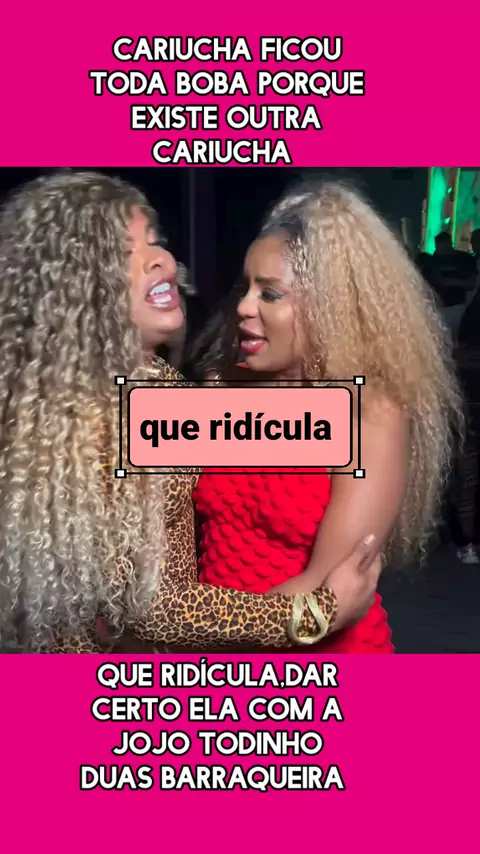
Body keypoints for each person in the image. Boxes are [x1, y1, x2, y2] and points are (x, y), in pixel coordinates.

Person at [0, 170, 380, 653]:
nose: (160, 259)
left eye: (155, 242)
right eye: (123, 253)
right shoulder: (92, 416)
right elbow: (147, 606)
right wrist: (318, 612)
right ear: (71, 289)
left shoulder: (151, 382)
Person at [193, 180, 463, 653]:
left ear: (327, 307)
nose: (243, 306)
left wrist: (198, 642)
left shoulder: (370, 415)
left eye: (269, 294)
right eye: (245, 287)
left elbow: (328, 594)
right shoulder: (225, 385)